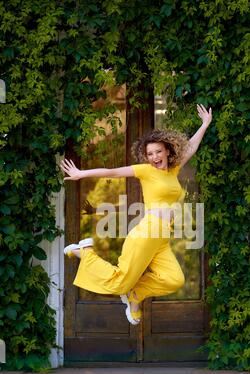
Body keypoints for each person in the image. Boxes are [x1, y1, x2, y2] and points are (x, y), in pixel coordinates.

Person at [60, 104, 212, 325]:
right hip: (146, 233)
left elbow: (190, 148)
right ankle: (86, 252)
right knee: (119, 283)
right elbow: (113, 172)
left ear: (167, 151)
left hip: (161, 238)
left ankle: (136, 294)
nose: (154, 157)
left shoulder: (173, 170)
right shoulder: (146, 171)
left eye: (158, 151)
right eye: (150, 154)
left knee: (174, 280)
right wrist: (81, 173)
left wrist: (205, 124)